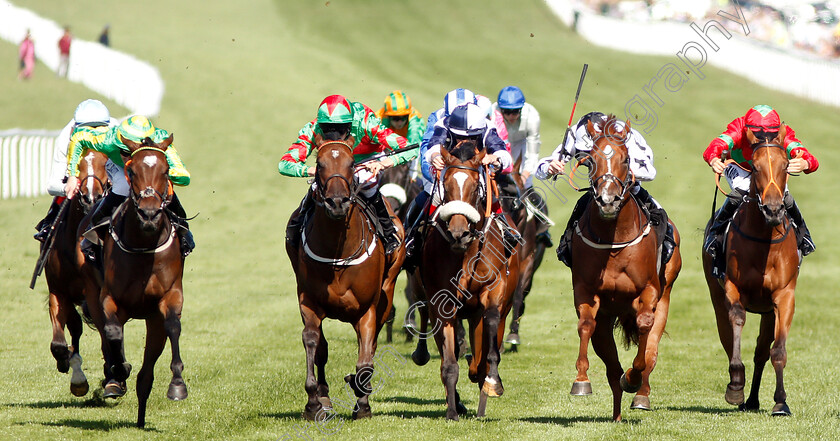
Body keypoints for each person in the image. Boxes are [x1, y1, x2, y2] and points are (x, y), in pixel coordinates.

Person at [536, 111, 674, 267]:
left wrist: (614, 171)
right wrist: (549, 168)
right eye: (586, 153)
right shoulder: (576, 133)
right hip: (598, 191)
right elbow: (541, 169)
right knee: (577, 214)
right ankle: (566, 248)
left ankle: (667, 241)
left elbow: (649, 173)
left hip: (628, 187)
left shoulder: (625, 136)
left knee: (658, 212)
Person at [281, 94, 415, 255]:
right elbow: (284, 164)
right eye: (327, 130)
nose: (333, 136)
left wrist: (384, 162)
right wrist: (309, 170)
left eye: (340, 129)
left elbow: (410, 148)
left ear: (350, 125)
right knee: (318, 184)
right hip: (330, 163)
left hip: (365, 159)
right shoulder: (313, 128)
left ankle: (388, 234)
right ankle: (296, 226)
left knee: (366, 181)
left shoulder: (366, 122)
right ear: (320, 124)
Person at [702, 105, 818, 278]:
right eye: (758, 134)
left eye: (771, 135)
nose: (765, 138)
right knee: (740, 192)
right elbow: (716, 145)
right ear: (747, 129)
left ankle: (804, 235)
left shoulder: (783, 134)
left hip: (768, 173)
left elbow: (810, 158)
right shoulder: (738, 128)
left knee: (784, 197)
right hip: (740, 167)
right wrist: (713, 159)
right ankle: (715, 234)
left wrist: (805, 163)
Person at [64, 115, 194, 259]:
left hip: (147, 168)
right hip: (118, 166)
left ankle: (183, 230)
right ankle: (92, 232)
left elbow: (183, 177)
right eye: (126, 151)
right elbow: (78, 137)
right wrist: (72, 175)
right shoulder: (108, 139)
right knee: (122, 187)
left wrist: (163, 173)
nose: (131, 155)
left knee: (161, 186)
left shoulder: (159, 139)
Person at [33, 99, 120, 242]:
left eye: (97, 129)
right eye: (86, 130)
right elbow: (52, 185)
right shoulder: (65, 137)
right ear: (76, 128)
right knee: (65, 190)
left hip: (112, 178)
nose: (91, 135)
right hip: (77, 179)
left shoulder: (116, 131)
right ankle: (49, 225)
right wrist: (69, 187)